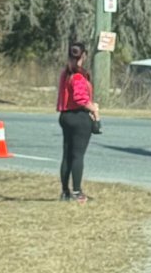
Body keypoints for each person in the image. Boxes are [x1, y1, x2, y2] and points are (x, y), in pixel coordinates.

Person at [57, 42, 99, 203]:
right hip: (79, 117)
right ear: (84, 55)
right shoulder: (79, 76)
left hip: (65, 116)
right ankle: (76, 192)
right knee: (77, 156)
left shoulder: (65, 74)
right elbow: (81, 99)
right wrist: (93, 109)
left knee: (67, 155)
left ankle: (65, 192)